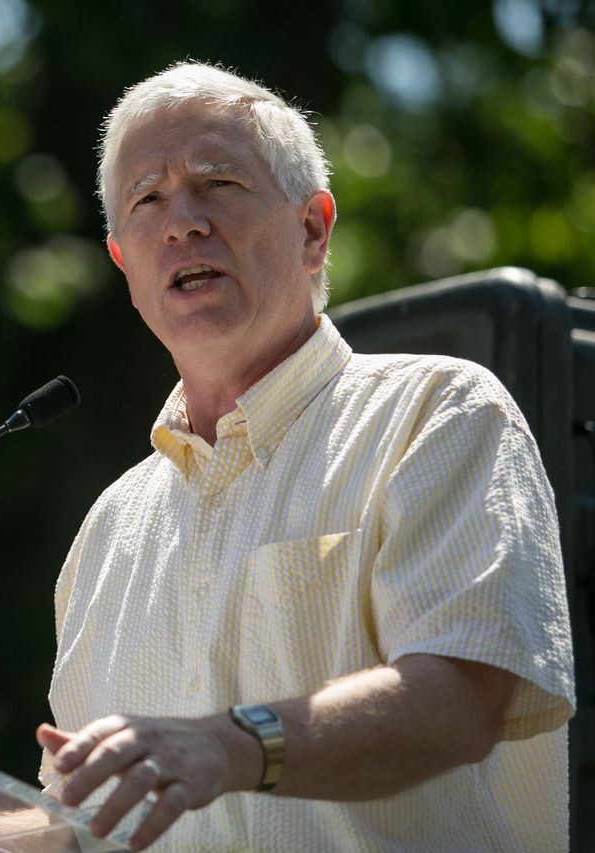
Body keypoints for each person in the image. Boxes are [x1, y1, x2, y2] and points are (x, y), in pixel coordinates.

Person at [35, 62, 575, 851]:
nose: (181, 221)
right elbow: (81, 826)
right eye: (147, 198)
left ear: (313, 229)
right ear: (125, 262)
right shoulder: (109, 529)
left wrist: (230, 746)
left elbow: (461, 700)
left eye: (218, 184)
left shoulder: (439, 413)